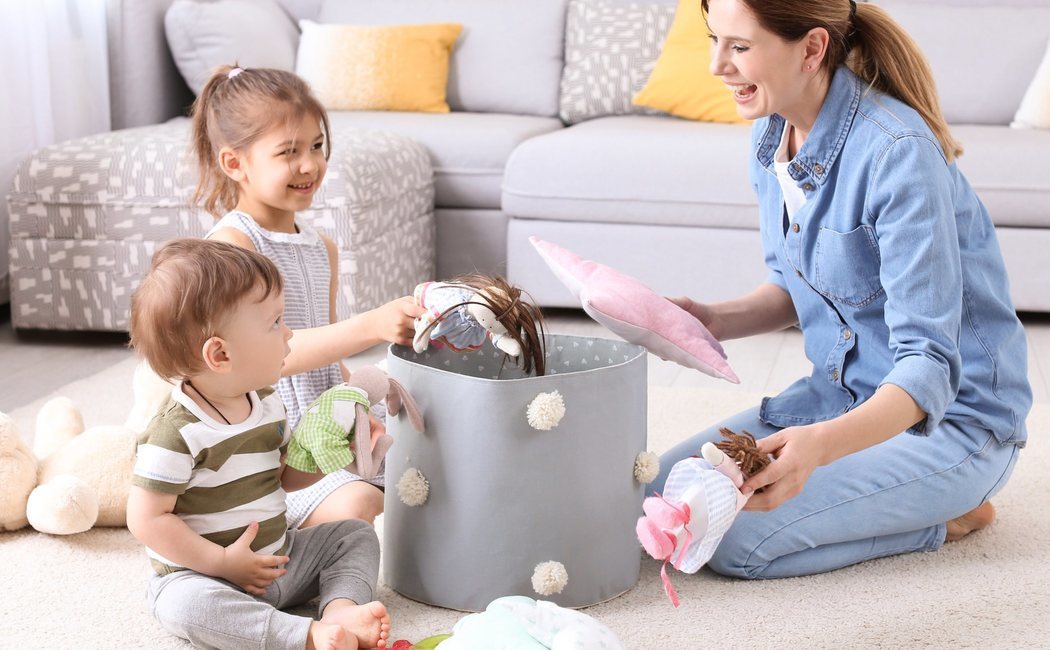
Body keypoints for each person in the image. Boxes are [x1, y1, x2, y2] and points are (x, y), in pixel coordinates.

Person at [650, 0, 1032, 579]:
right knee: (664, 489)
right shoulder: (772, 137)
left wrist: (817, 450)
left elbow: (926, 366)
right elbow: (797, 283)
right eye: (714, 41)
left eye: (739, 46)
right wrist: (709, 317)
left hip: (951, 421)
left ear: (811, 49)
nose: (716, 66)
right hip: (840, 399)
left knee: (733, 541)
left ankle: (950, 515)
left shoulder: (898, 154)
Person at [189, 64, 426, 528]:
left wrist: (357, 406)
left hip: (324, 427)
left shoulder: (322, 249)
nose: (309, 165)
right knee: (365, 506)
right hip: (273, 450)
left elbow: (326, 362)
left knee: (430, 467)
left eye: (317, 146)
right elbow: (259, 360)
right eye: (288, 152)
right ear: (234, 163)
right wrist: (369, 326)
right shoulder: (233, 247)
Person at [126, 238, 391, 649]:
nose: (288, 334)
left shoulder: (266, 401)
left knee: (355, 536)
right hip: (204, 575)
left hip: (279, 558)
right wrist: (222, 563)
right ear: (220, 354)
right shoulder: (175, 433)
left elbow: (283, 477)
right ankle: (302, 635)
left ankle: (340, 610)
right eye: (274, 323)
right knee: (182, 606)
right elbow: (146, 520)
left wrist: (331, 455)